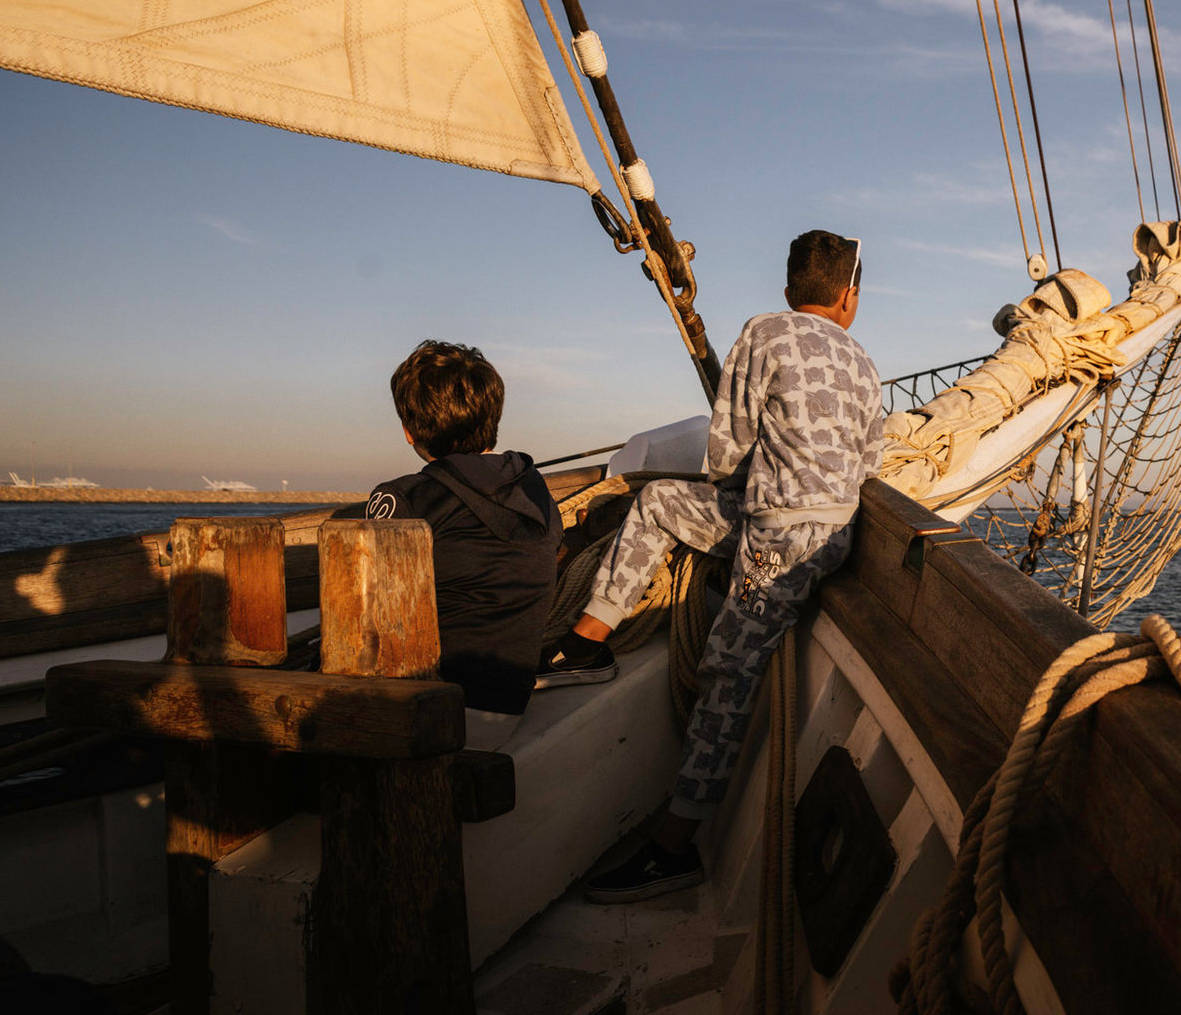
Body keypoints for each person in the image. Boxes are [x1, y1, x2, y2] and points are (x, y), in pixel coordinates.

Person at [540, 230, 882, 901]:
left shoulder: (764, 330)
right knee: (666, 503)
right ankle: (586, 644)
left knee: (726, 670)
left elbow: (726, 449)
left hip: (778, 538)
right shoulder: (865, 362)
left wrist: (745, 489)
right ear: (850, 298)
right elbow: (869, 464)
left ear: (789, 292)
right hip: (834, 535)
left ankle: (673, 849)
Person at [367, 340, 561, 751]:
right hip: (504, 710)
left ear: (409, 430)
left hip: (432, 710)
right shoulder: (537, 490)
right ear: (493, 418)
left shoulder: (405, 500)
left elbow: (367, 618)